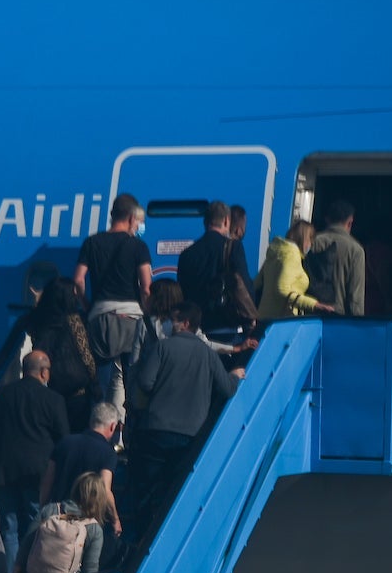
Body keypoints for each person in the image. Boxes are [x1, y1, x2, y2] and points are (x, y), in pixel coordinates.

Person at [128, 302, 244, 519]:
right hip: (190, 435)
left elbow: (144, 382)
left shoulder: (163, 347)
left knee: (147, 488)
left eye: (174, 319)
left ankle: (141, 531)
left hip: (156, 429)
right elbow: (227, 389)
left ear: (186, 324)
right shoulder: (208, 355)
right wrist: (235, 375)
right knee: (176, 489)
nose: (170, 324)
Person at [0, 349, 69, 573]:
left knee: (8, 529)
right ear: (44, 372)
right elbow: (64, 440)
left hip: (2, 474)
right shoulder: (53, 399)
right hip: (38, 476)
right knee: (35, 527)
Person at [73, 193, 153, 415]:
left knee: (102, 378)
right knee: (132, 378)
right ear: (130, 217)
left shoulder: (91, 242)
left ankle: (98, 426)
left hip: (100, 316)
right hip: (131, 318)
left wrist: (87, 305)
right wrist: (149, 312)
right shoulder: (138, 246)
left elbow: (78, 280)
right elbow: (146, 287)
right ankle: (130, 433)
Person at [40, 402, 123, 543]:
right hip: (85, 523)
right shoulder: (108, 454)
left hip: (57, 517)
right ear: (112, 426)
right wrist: (115, 519)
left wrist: (43, 508)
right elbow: (105, 488)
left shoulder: (65, 442)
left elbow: (48, 480)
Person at [24, 279, 97, 431]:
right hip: (79, 390)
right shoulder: (75, 320)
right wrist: (95, 383)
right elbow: (86, 355)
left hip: (54, 388)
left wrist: (37, 304)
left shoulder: (40, 322)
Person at [177, 200, 257, 337]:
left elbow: (183, 291)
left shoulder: (187, 254)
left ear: (205, 222)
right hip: (226, 324)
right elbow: (243, 282)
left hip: (197, 326)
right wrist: (251, 313)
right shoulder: (233, 247)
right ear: (227, 221)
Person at [256, 220, 334, 322]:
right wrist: (314, 304)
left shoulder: (277, 253)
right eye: (311, 240)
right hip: (280, 320)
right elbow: (282, 290)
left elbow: (257, 283)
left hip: (264, 316)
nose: (311, 244)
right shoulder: (292, 254)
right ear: (305, 239)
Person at [305, 199, 365, 316]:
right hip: (337, 316)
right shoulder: (356, 250)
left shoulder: (310, 243)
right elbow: (355, 296)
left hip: (309, 313)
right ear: (350, 222)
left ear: (327, 219)